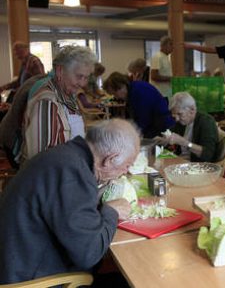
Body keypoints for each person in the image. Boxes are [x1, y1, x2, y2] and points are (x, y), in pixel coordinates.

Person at [0, 119, 139, 284]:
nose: (125, 172)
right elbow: (90, 254)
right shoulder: (73, 173)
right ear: (110, 159)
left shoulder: (66, 156)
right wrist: (111, 211)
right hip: (29, 279)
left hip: (20, 259)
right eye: (127, 166)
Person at [19, 45, 96, 164]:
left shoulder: (68, 94)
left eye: (86, 78)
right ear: (60, 71)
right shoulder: (47, 102)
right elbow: (41, 159)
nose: (82, 83)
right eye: (79, 76)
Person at [103, 71, 174, 139]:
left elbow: (143, 118)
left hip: (161, 125)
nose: (116, 97)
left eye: (115, 94)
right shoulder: (133, 89)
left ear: (121, 87)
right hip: (155, 124)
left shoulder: (138, 91)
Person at [154, 92, 218, 162]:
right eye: (175, 115)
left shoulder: (206, 122)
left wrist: (184, 142)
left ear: (192, 110)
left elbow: (208, 154)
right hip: (180, 161)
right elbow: (169, 140)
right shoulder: (181, 122)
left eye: (180, 114)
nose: (177, 119)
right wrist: (163, 141)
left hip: (198, 167)